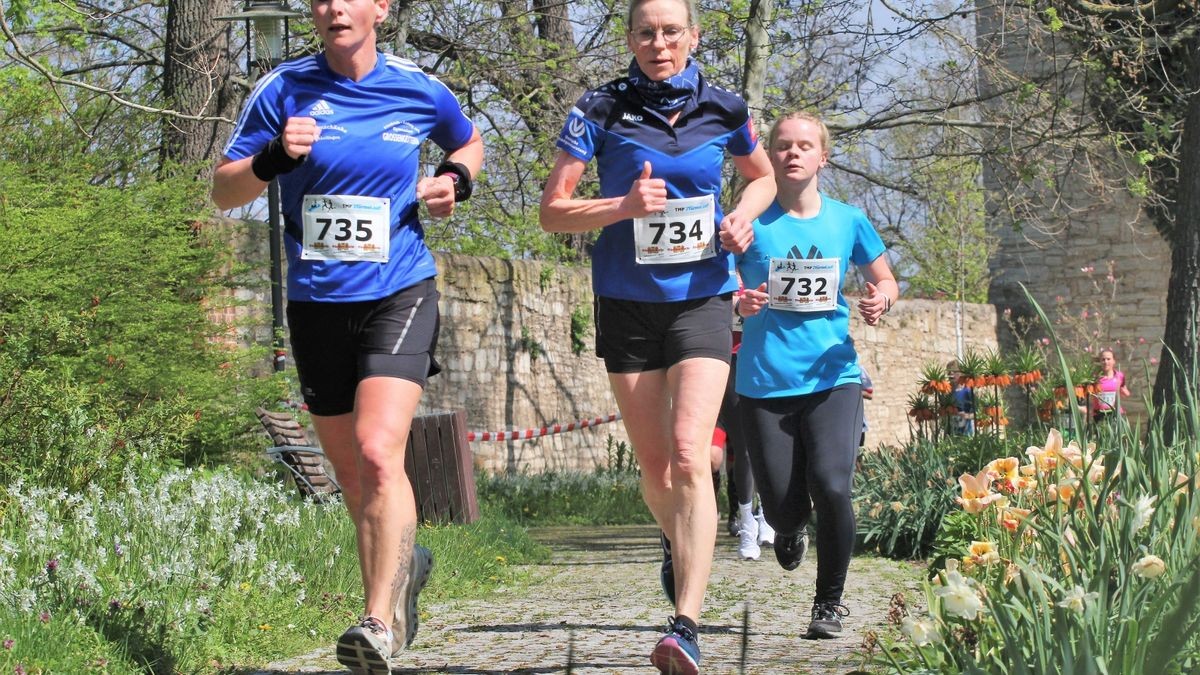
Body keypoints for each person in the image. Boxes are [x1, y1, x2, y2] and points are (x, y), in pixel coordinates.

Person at [211, 1, 483, 673]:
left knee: (377, 449)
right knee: (352, 474)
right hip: (316, 302)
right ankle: (406, 565)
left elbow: (467, 140)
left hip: (400, 290)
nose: (333, 7)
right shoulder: (282, 89)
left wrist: (455, 180)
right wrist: (273, 157)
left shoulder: (417, 87)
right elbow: (222, 190)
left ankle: (377, 622)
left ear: (380, 9)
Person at [539, 0, 775, 670]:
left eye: (672, 31)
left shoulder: (724, 108)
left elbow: (760, 180)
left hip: (704, 296)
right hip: (626, 301)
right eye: (646, 32)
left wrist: (742, 219)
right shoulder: (598, 108)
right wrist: (622, 206)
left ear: (693, 37)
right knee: (655, 468)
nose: (659, 42)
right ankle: (682, 541)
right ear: (631, 40)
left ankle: (687, 622)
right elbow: (552, 211)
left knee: (689, 453)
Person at [734, 111, 899, 641]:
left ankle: (828, 604)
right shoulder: (749, 222)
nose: (793, 153)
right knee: (783, 508)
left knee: (832, 483)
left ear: (823, 158)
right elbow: (722, 285)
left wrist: (881, 300)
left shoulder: (848, 220)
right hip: (763, 382)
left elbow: (885, 279)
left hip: (834, 375)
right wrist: (740, 300)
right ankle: (788, 528)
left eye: (805, 145)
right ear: (770, 157)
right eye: (783, 145)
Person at [1091, 348, 1131, 424]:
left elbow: (1125, 391)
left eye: (1108, 359)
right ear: (1100, 362)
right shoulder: (1094, 378)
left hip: (1116, 414)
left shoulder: (1120, 376)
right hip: (1100, 415)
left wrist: (1125, 393)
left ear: (1113, 361)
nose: (1106, 362)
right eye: (1103, 359)